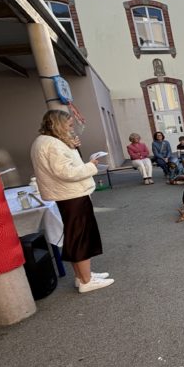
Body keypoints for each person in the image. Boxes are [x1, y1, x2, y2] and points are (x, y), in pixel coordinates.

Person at [30, 110, 113, 293]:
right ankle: (86, 280)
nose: (71, 128)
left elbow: (63, 166)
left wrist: (72, 147)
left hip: (66, 195)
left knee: (75, 235)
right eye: (68, 125)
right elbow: (66, 172)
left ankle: (82, 277)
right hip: (72, 194)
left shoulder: (45, 141)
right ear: (58, 125)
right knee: (81, 236)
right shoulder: (53, 144)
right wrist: (91, 165)